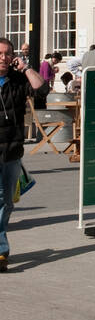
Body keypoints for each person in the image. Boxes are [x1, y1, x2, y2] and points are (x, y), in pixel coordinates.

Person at [0, 37, 46, 270]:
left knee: (8, 203)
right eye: (0, 53)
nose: (4, 57)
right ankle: (1, 251)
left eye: (8, 53)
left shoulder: (17, 80)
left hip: (13, 151)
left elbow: (42, 89)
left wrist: (26, 68)